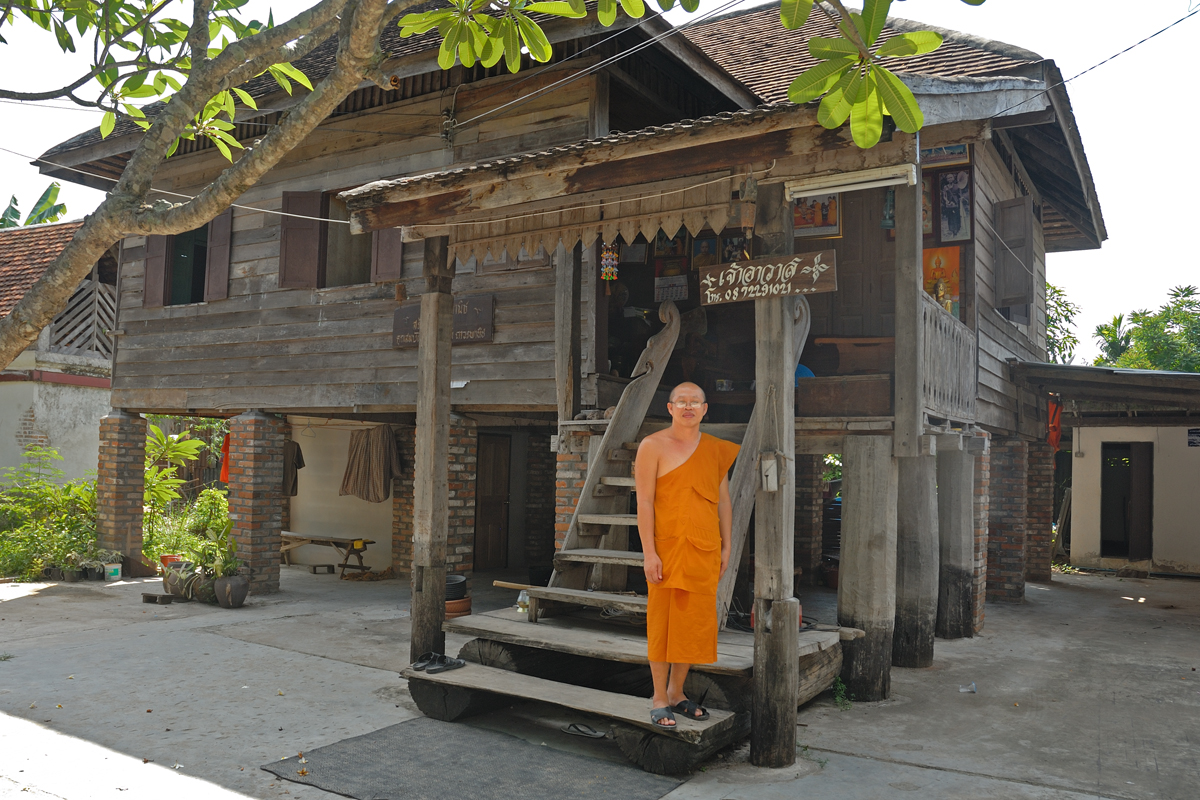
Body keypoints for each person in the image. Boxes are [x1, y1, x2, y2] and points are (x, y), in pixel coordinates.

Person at [634, 382, 740, 728]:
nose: (689, 407)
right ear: (670, 408)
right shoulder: (653, 446)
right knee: (662, 625)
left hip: (704, 549)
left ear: (705, 409)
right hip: (667, 550)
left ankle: (677, 693)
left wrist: (727, 544)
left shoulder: (713, 449)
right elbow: (645, 502)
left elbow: (723, 499)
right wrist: (649, 552)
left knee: (691, 625)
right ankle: (659, 697)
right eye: (682, 402)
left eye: (695, 402)